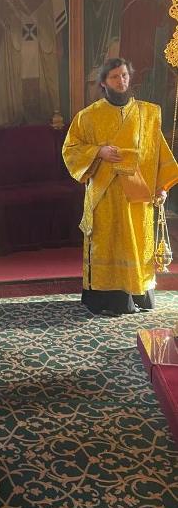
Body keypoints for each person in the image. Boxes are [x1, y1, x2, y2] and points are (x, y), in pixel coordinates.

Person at [62, 57, 178, 316]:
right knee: (107, 242)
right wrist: (98, 151)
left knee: (136, 242)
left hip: (137, 194)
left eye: (124, 75)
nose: (121, 80)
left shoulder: (147, 113)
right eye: (115, 76)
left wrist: (161, 186)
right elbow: (70, 149)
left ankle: (138, 293)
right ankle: (107, 298)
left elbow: (158, 150)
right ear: (104, 82)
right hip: (105, 195)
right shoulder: (88, 116)